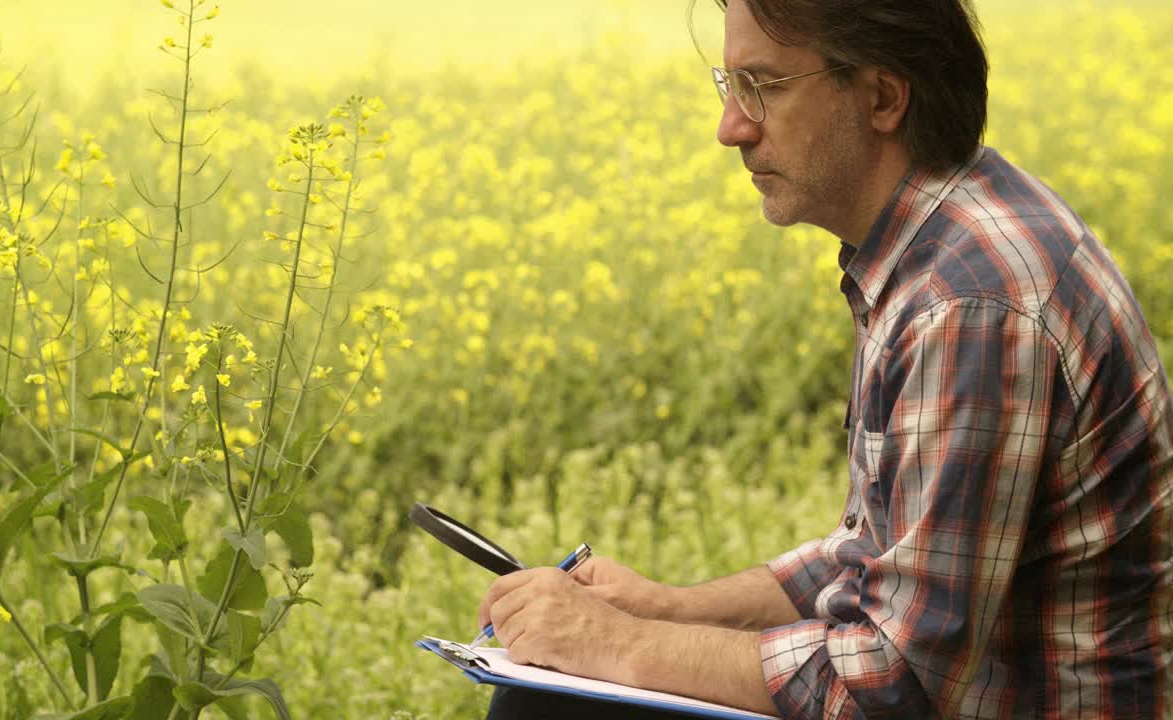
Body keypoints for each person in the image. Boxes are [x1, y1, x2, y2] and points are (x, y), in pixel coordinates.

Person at [477, 0, 1173, 718]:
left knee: (548, 708)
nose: (732, 128)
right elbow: (876, 556)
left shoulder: (970, 306)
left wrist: (616, 642)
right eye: (731, 87)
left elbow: (893, 681)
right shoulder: (945, 241)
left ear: (881, 96)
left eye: (765, 87)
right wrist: (666, 609)